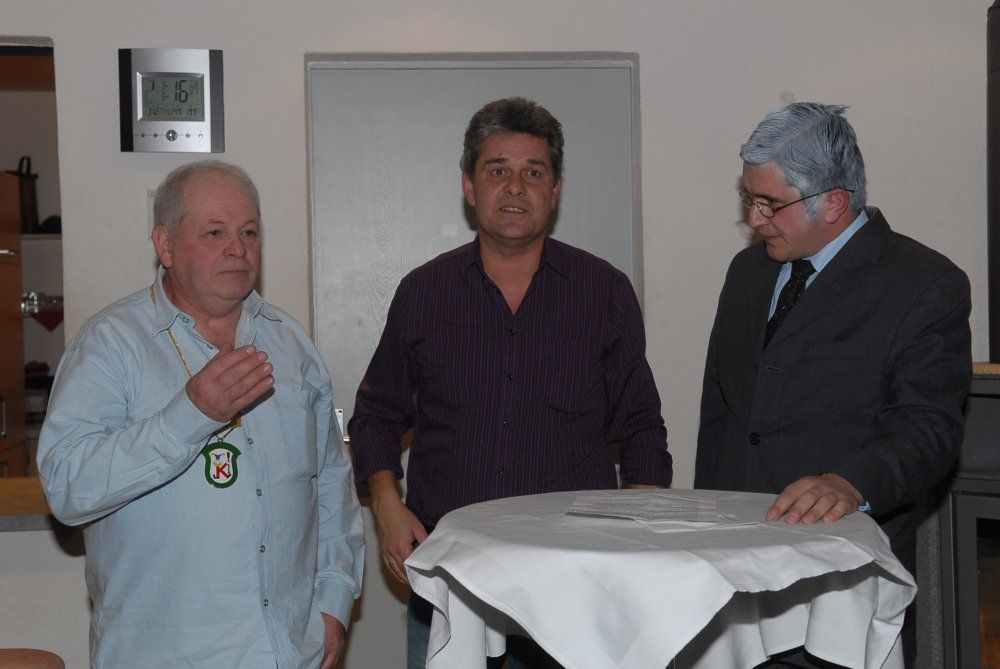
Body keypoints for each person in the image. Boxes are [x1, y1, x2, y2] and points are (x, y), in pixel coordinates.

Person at [349, 96, 672, 668]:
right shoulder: (424, 293)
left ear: (555, 190)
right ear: (469, 187)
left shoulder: (604, 292)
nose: (516, 187)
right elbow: (376, 414)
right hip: (451, 580)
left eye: (534, 173)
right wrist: (387, 506)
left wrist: (638, 547)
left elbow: (642, 427)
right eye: (497, 171)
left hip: (573, 583)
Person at [37, 160, 364, 669]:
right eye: (215, 232)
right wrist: (191, 415)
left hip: (289, 652)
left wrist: (335, 602)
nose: (238, 249)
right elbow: (66, 487)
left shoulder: (291, 344)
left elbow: (330, 484)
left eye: (249, 232)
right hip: (163, 655)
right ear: (165, 245)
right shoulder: (110, 344)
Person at [695, 102, 971, 667]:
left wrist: (850, 482)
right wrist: (702, 532)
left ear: (834, 203)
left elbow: (928, 427)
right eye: (749, 198)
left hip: (835, 581)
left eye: (770, 203)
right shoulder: (746, 272)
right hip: (731, 576)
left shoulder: (924, 283)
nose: (755, 218)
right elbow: (721, 414)